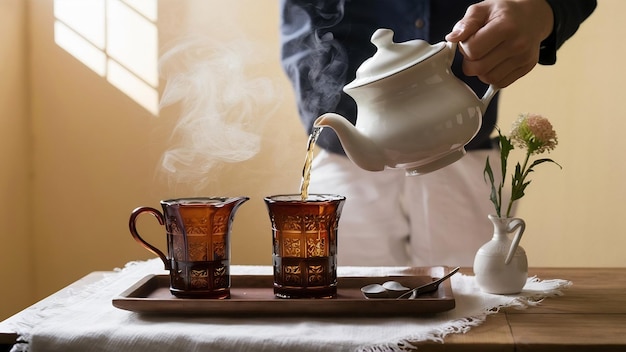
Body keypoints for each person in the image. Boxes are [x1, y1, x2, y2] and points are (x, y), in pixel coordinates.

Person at [279, 0, 596, 267]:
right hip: (346, 158)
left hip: (468, 155)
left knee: (471, 307)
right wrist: (317, 90)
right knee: (349, 311)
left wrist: (542, 9)